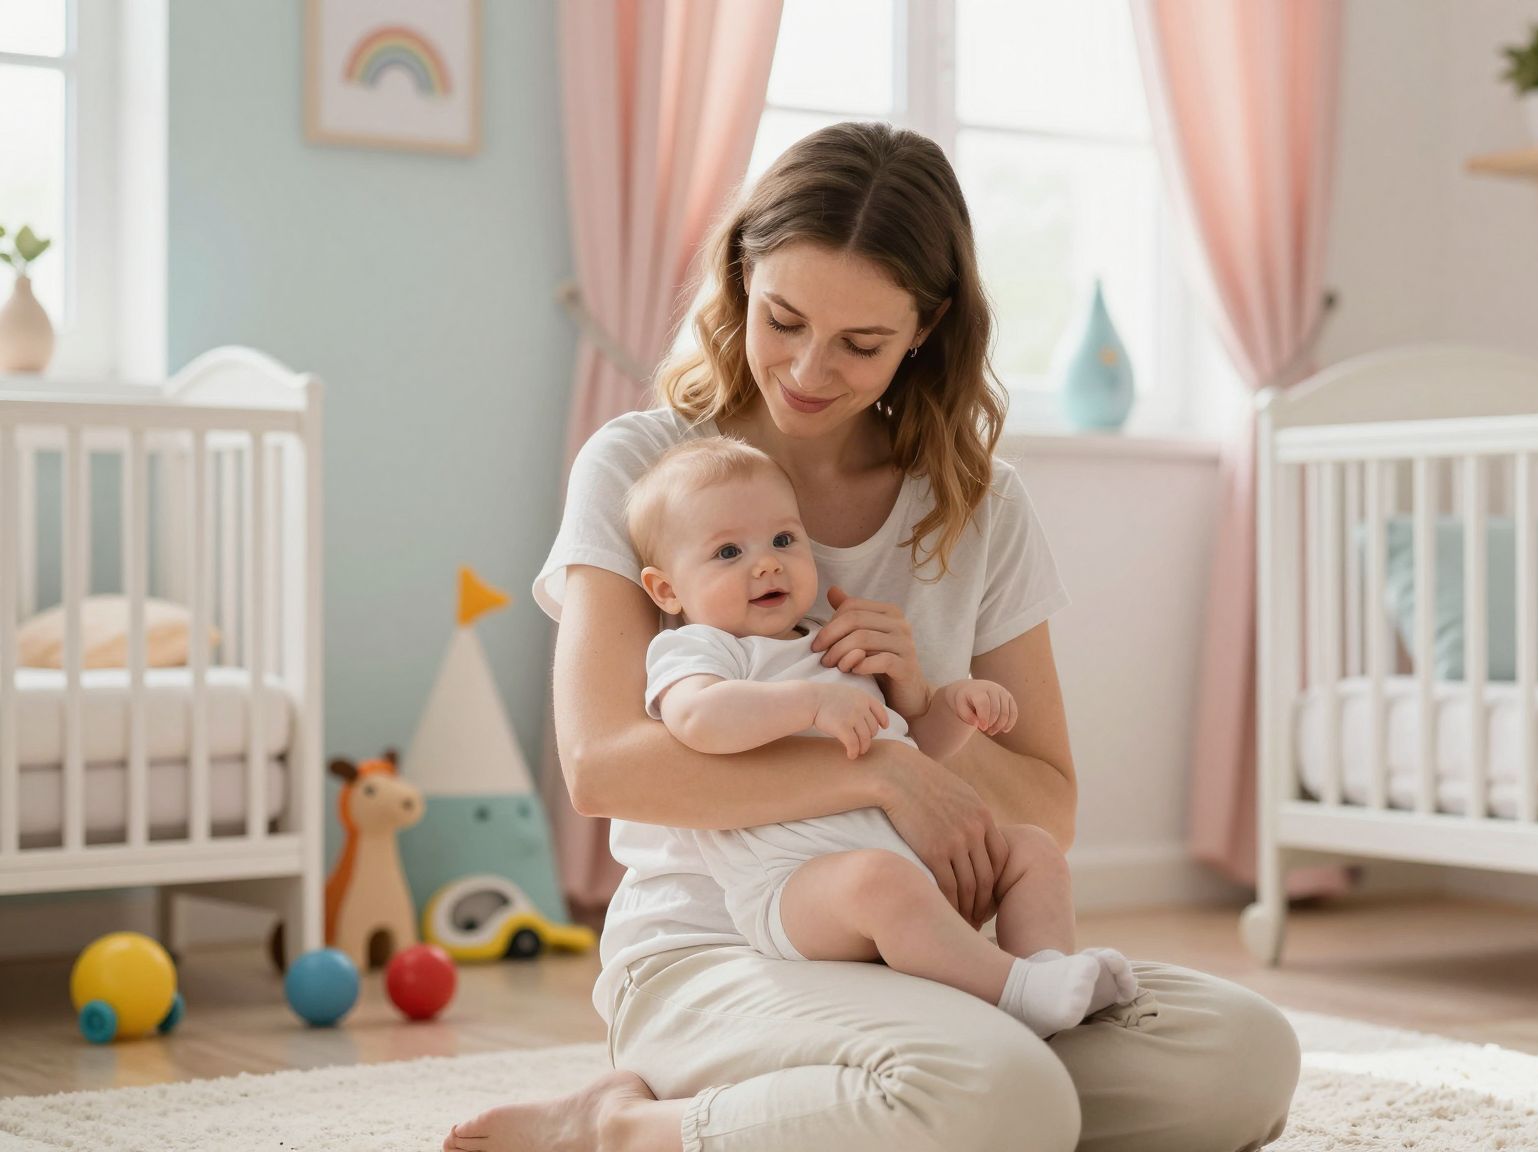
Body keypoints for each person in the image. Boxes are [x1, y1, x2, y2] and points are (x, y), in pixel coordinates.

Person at [446, 120, 1298, 1152]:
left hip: (921, 949)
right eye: (782, 319)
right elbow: (606, 769)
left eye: (860, 344)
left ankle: (908, 1108)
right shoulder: (644, 469)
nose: (808, 371)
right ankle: (623, 1131)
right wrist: (877, 777)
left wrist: (923, 709)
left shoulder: (978, 505)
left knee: (1242, 1056)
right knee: (1000, 1099)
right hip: (712, 949)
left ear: (926, 329)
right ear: (739, 278)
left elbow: (1047, 807)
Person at [626, 436, 1140, 1037]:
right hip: (792, 889)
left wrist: (952, 704)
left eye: (784, 541)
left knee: (1031, 850)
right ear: (666, 590)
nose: (765, 563)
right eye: (729, 551)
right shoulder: (699, 649)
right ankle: (1014, 990)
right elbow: (697, 719)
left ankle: (1046, 970)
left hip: (913, 864)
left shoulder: (829, 638)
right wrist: (807, 703)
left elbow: (918, 746)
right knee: (879, 881)